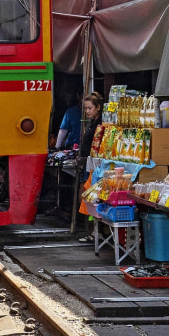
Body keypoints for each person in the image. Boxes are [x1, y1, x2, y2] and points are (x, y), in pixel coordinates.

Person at [76, 92, 104, 242]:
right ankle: (92, 232)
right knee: (86, 196)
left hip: (93, 165)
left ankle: (94, 233)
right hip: (88, 163)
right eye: (85, 109)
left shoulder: (100, 124)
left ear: (98, 107)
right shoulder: (93, 123)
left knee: (89, 197)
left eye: (90, 108)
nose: (87, 111)